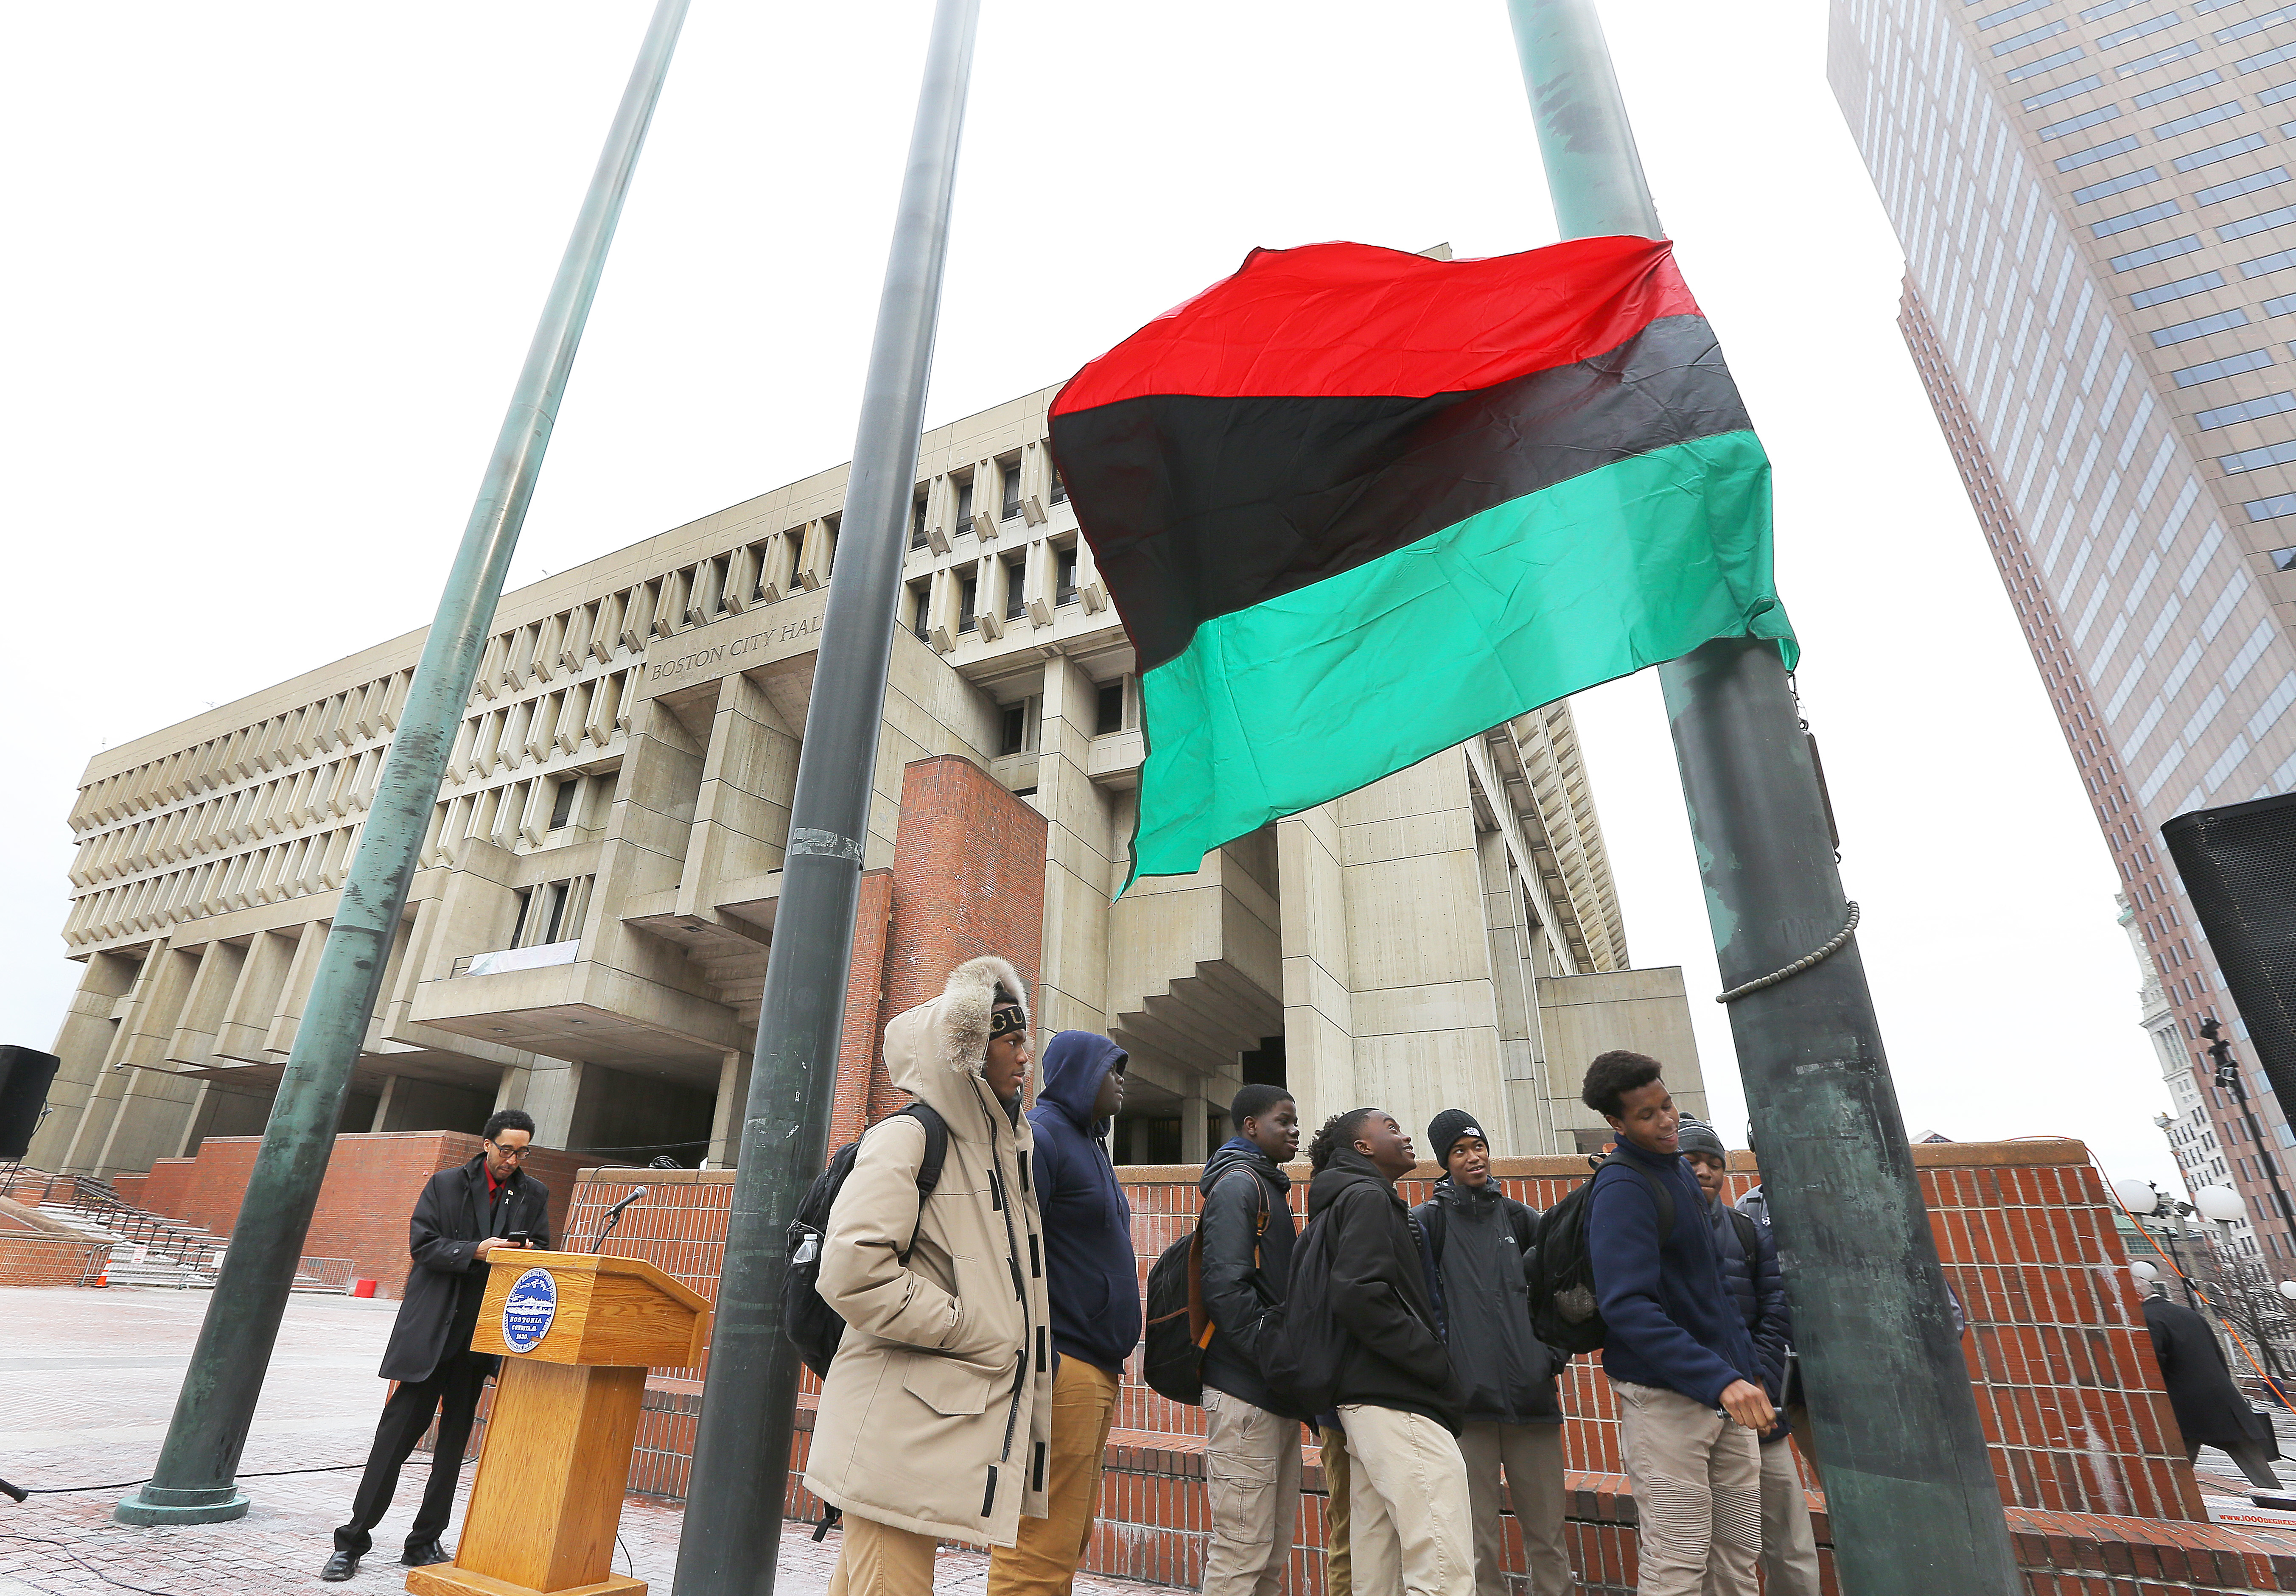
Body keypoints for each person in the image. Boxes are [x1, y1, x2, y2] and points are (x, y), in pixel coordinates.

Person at [805, 957, 1053, 1596]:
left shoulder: (1002, 1151)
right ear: (967, 1051)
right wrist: (970, 1325)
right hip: (897, 1427)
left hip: (922, 1427)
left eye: (1026, 1037)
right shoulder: (909, 1136)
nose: (1026, 1054)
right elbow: (854, 1271)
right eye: (1010, 1038)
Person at [323, 1109, 550, 1581]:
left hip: (481, 1341)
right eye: (507, 1149)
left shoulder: (534, 1193)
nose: (514, 1159)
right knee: (393, 1444)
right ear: (487, 1144)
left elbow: (545, 1250)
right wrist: (476, 1251)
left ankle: (424, 1543)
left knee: (452, 1452)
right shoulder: (446, 1184)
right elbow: (423, 1246)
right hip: (432, 1336)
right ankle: (352, 1543)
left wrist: (530, 1253)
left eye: (522, 1151)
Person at [1580, 1052, 1771, 1596]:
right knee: (1678, 1562)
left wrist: (1746, 1370)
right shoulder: (1623, 1188)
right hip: (1666, 1403)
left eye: (1667, 1105)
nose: (1667, 1121)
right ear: (1617, 1125)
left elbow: (1712, 1290)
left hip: (1726, 1395)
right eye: (1647, 1115)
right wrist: (1720, 1378)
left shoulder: (1680, 1174)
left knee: (1737, 1557)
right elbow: (1628, 1307)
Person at [989, 1030, 1136, 1596]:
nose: (1122, 1079)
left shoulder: (1091, 1145)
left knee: (1068, 1537)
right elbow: (1007, 1249)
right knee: (1038, 1545)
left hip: (1096, 1366)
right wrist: (1038, 1357)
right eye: (1111, 1068)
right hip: (1062, 1363)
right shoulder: (1042, 1135)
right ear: (1077, 1072)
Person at [1307, 1106, 1474, 1596]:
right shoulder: (1368, 1199)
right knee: (1442, 1563)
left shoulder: (1341, 1200)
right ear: (1363, 1147)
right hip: (1394, 1395)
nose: (1404, 1135)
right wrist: (1434, 1362)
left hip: (1360, 1401)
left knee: (1376, 1567)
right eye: (1392, 1128)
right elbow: (1359, 1292)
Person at [1411, 1109, 1574, 1596]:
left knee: (1548, 1535)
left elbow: (1563, 1292)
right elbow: (1417, 1308)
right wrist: (1444, 1373)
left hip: (1532, 1403)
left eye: (1477, 1146)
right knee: (1475, 1537)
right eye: (1460, 1151)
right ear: (1445, 1162)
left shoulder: (1523, 1219)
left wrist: (1550, 1357)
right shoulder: (1428, 1224)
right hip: (1466, 1410)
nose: (1473, 1157)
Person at [1677, 1121, 1817, 1596]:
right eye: (1693, 1161)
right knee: (1709, 1544)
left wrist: (1757, 1383)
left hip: (1760, 1417)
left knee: (1790, 1541)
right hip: (1693, 1419)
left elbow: (1778, 1314)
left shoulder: (1749, 1231)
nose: (1705, 1172)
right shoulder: (1654, 1232)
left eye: (1715, 1164)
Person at [1197, 1084, 1305, 1596]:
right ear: (1250, 1127)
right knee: (1241, 1552)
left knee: (1270, 1554)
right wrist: (1275, 1354)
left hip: (1272, 1390)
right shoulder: (1240, 1186)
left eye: (1295, 1121)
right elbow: (1225, 1289)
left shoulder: (1267, 1186)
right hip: (1245, 1392)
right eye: (1283, 1121)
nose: (1294, 1130)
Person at [2143, 1288, 2286, 1491]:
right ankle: (2280, 1503)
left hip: (2183, 1405)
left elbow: (2152, 1362)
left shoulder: (2147, 1318)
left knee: (2176, 1465)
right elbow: (2217, 1354)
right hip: (2221, 1398)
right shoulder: (2192, 1315)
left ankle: (2169, 1503)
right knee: (2253, 1461)